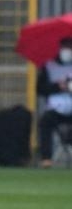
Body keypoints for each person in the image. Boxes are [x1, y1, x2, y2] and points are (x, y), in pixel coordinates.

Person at [37, 37, 72, 168]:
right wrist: (58, 87)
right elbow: (40, 88)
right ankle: (46, 158)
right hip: (56, 108)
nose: (67, 50)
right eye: (65, 47)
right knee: (45, 121)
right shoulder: (50, 66)